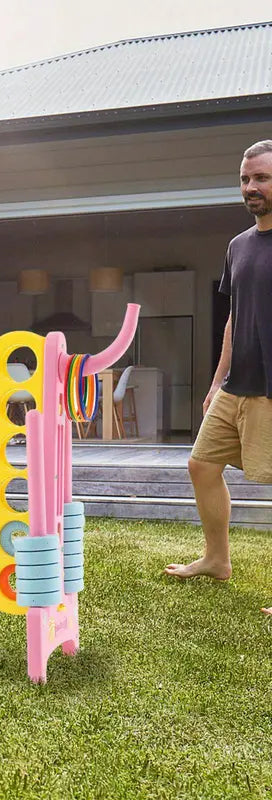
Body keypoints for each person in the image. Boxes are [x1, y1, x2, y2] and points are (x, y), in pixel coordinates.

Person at [164, 141, 272, 616]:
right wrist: (215, 382)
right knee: (202, 465)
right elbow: (234, 318)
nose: (251, 187)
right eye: (246, 179)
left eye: (262, 178)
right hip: (237, 384)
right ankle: (216, 559)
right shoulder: (238, 245)